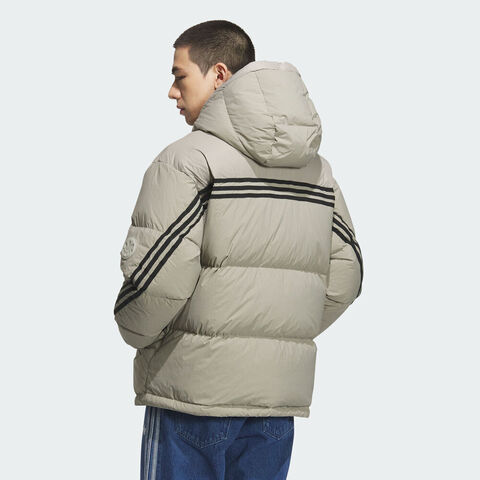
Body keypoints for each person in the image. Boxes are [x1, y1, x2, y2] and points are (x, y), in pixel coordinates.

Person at [113, 19, 364, 480]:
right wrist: (277, 337)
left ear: (220, 74)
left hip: (192, 395)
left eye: (180, 76)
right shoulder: (318, 172)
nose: (172, 91)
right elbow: (347, 274)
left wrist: (135, 332)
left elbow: (157, 281)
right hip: (274, 405)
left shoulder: (188, 160)